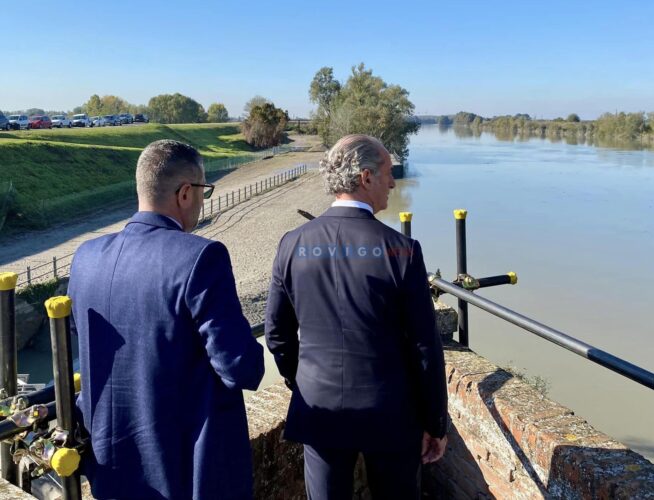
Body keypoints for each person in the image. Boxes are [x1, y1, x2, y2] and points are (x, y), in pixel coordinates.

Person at [68, 139, 264, 499]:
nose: (202, 201)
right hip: (186, 471)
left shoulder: (85, 257)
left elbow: (84, 342)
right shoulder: (201, 256)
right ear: (185, 193)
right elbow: (241, 369)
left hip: (110, 469)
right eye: (204, 191)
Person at [265, 134, 448, 499]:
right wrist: (435, 423)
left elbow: (277, 334)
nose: (393, 183)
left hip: (319, 408)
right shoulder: (402, 251)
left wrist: (302, 381)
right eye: (388, 172)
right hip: (390, 413)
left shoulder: (292, 243)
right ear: (366, 177)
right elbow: (425, 347)